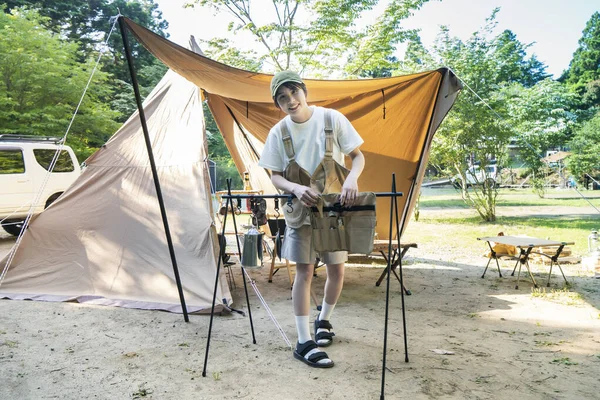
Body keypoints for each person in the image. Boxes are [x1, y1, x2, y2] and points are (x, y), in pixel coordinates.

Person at [258, 71, 365, 368]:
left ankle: (324, 321)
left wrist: (351, 180)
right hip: (301, 213)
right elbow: (275, 176)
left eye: (293, 93)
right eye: (282, 97)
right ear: (277, 103)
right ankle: (304, 340)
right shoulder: (278, 133)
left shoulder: (332, 119)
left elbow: (358, 157)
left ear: (304, 91)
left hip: (333, 209)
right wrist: (295, 188)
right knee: (304, 272)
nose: (290, 101)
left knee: (337, 270)